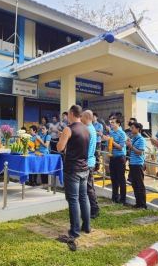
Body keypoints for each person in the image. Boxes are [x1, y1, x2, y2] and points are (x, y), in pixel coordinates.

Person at [56, 105, 91, 251]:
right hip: (84, 168)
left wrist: (62, 137)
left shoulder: (68, 129)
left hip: (72, 169)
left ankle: (74, 231)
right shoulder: (86, 129)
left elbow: (60, 148)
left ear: (71, 114)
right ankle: (87, 227)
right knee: (83, 197)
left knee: (73, 200)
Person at [102, 118, 127, 204]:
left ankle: (123, 199)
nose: (111, 124)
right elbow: (107, 144)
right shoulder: (111, 133)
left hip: (120, 158)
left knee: (121, 179)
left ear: (118, 124)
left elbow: (121, 147)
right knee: (114, 178)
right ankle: (114, 197)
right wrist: (105, 139)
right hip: (112, 157)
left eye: (113, 122)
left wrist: (110, 141)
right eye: (110, 122)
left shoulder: (122, 133)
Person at [81, 110, 99, 218]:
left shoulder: (88, 130)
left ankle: (94, 210)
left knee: (89, 187)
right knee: (88, 187)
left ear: (87, 117)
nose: (81, 118)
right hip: (89, 161)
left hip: (88, 161)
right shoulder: (91, 129)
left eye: (82, 116)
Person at [125, 122, 147, 209]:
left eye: (133, 128)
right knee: (134, 184)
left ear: (138, 129)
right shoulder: (133, 138)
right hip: (132, 163)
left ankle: (143, 204)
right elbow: (131, 153)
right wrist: (129, 146)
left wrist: (132, 146)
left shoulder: (141, 139)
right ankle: (138, 202)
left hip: (138, 164)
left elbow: (140, 152)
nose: (131, 129)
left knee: (140, 185)